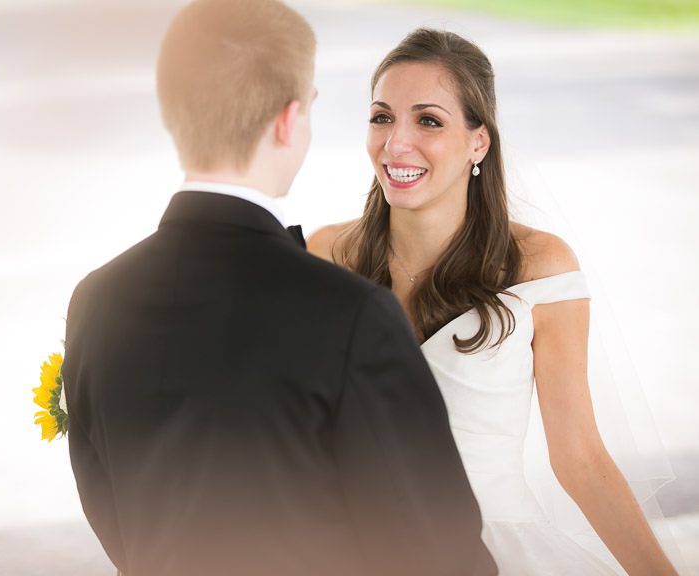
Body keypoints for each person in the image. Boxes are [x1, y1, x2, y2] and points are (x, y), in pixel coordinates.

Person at [62, 2, 497, 575]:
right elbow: (441, 552)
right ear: (290, 120)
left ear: (174, 113)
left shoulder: (94, 302)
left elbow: (111, 514)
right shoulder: (351, 314)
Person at [308, 28, 678, 575]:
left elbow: (579, 458)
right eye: (382, 116)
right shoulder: (323, 253)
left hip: (493, 554)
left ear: (478, 142)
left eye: (428, 120)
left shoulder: (540, 266)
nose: (396, 143)